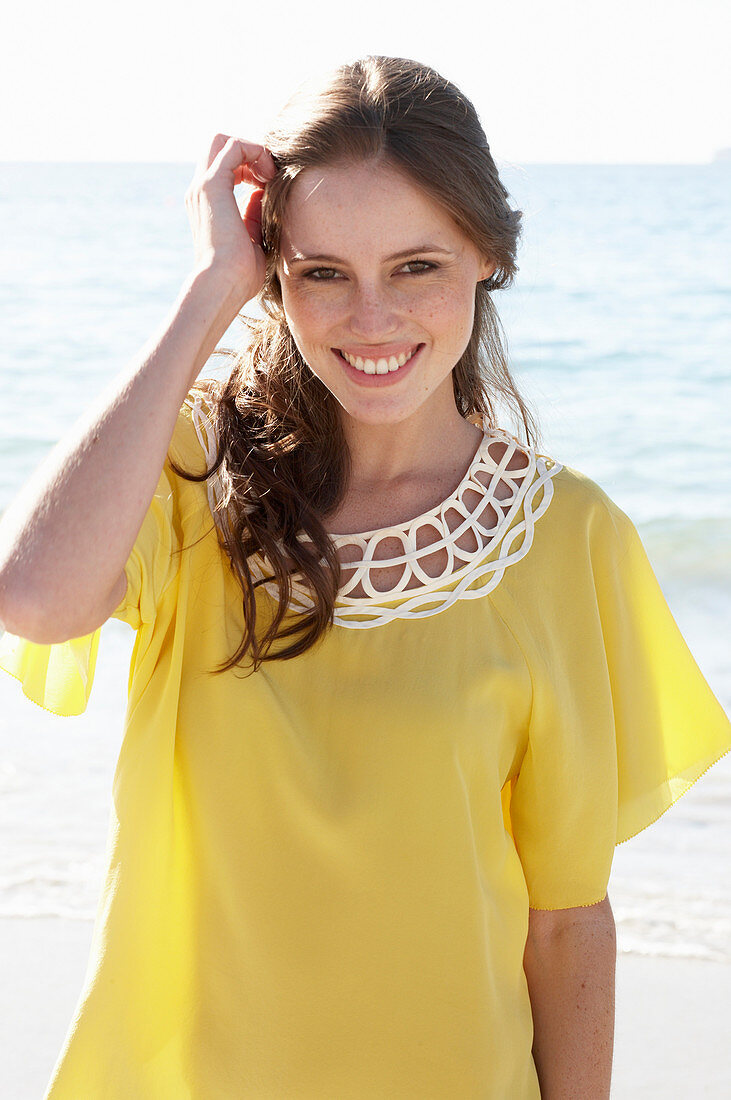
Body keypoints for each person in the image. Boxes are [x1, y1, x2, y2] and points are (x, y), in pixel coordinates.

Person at [0, 55, 729, 1099]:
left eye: (416, 266)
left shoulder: (569, 538)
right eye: (323, 271)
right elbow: (33, 597)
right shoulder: (190, 475)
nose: (370, 318)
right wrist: (208, 292)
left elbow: (566, 916)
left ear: (486, 254)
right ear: (273, 273)